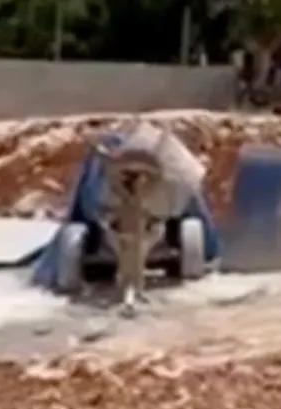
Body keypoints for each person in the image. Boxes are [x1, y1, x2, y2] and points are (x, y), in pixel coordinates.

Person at [87, 121, 206, 313]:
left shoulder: (137, 193)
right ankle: (131, 292)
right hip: (131, 232)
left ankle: (132, 293)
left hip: (138, 231)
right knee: (130, 265)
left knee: (133, 264)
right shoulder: (128, 192)